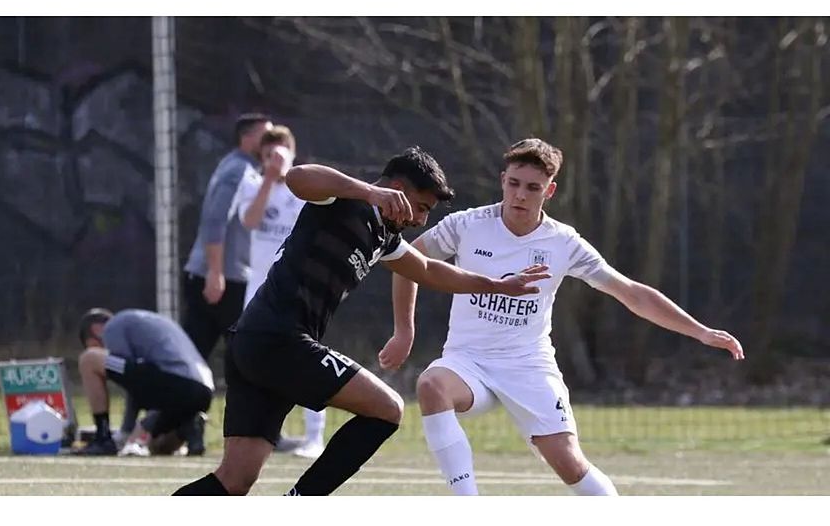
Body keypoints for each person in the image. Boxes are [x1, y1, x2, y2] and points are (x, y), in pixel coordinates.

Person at [172, 146, 552, 496]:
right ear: (397, 190)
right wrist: (369, 192)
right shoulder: (341, 202)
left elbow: (429, 271)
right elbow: (297, 177)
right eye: (420, 207)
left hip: (260, 345)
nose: (420, 220)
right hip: (277, 339)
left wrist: (497, 285)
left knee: (234, 480)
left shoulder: (384, 236)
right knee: (387, 409)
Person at [380, 138, 745, 496]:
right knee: (431, 386)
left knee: (569, 463)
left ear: (549, 191)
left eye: (532, 187)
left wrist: (700, 332)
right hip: (468, 362)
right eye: (513, 183)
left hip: (528, 367)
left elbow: (630, 292)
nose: (520, 195)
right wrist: (404, 332)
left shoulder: (563, 243)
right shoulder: (466, 225)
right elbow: (407, 263)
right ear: (502, 180)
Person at [232, 125, 325, 459]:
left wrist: (287, 177)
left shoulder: (306, 188)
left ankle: (315, 437)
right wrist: (270, 179)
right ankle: (265, 432)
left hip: (296, 290)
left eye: (281, 152)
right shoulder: (253, 183)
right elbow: (250, 221)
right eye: (268, 154)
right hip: (258, 291)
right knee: (254, 360)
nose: (275, 159)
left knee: (306, 358)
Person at [182, 113, 272, 361]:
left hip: (231, 276)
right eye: (266, 136)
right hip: (221, 278)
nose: (271, 143)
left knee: (198, 354)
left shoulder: (248, 169)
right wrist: (215, 272)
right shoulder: (238, 171)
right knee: (235, 352)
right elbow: (215, 219)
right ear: (246, 137)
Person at [75, 308, 214, 456]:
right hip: (203, 392)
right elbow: (139, 377)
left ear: (97, 330)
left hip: (176, 384)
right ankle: (189, 427)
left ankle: (103, 438)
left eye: (95, 346)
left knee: (88, 359)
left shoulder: (112, 327)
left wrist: (126, 430)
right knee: (158, 447)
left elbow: (132, 382)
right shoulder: (148, 322)